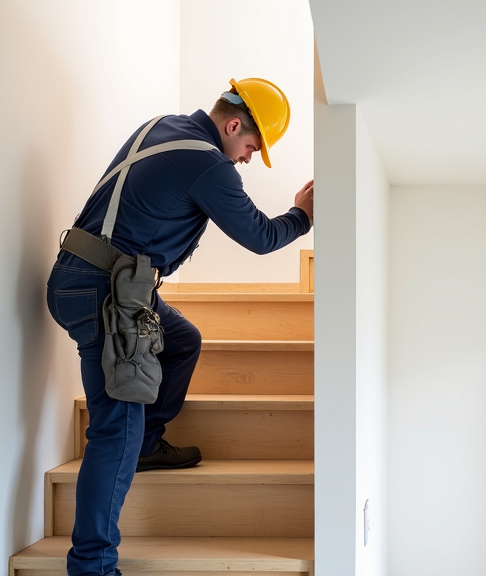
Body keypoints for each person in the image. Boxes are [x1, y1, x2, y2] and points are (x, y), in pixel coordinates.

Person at [45, 77, 313, 576]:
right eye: (252, 147)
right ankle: (92, 567)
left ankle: (146, 444)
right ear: (233, 125)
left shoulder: (161, 126)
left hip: (91, 281)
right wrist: (302, 215)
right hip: (107, 294)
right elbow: (260, 236)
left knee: (182, 339)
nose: (248, 159)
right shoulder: (207, 162)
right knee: (112, 431)